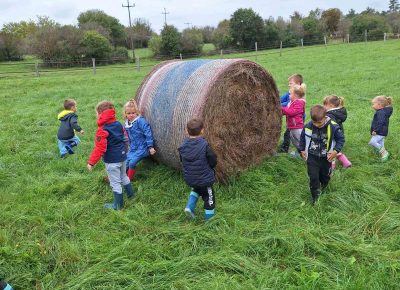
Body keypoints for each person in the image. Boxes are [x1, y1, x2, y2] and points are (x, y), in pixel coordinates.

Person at [87, 101, 134, 210]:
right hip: (123, 157)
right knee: (124, 176)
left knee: (115, 182)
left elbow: (100, 148)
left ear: (100, 114)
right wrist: (125, 152)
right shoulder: (118, 124)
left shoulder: (102, 130)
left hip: (112, 160)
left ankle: (117, 205)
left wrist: (91, 162)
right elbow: (124, 140)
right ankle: (131, 195)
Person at [299, 105, 345, 205]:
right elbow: (302, 138)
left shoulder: (333, 126)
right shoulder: (308, 126)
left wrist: (336, 151)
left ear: (325, 117)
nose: (316, 125)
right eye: (314, 122)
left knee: (324, 176)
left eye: (319, 122)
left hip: (326, 158)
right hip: (312, 156)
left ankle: (325, 186)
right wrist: (301, 149)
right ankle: (315, 196)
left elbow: (341, 140)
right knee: (313, 177)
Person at [178, 118, 217, 220]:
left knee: (196, 188)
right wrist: (211, 167)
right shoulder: (205, 145)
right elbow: (213, 160)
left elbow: (182, 160)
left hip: (190, 178)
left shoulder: (183, 146)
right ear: (202, 130)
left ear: (186, 131)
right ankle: (209, 219)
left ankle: (189, 207)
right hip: (205, 179)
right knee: (209, 196)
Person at [123, 99, 156, 181]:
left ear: (137, 112)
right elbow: (126, 136)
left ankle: (129, 180)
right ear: (125, 114)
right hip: (133, 148)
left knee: (132, 163)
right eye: (129, 113)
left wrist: (150, 146)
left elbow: (148, 132)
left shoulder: (140, 121)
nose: (131, 115)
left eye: (133, 113)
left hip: (143, 148)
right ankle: (120, 177)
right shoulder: (126, 124)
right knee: (125, 162)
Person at [323, 95, 352, 169]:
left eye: (325, 105)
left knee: (330, 152)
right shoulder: (339, 112)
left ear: (331, 105)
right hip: (339, 134)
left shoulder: (330, 115)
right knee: (336, 150)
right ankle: (346, 162)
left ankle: (331, 169)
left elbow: (330, 126)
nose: (323, 107)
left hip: (332, 136)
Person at [278, 74, 304, 153]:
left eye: (291, 83)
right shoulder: (292, 94)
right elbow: (281, 99)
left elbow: (290, 110)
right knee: (293, 139)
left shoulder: (299, 100)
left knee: (297, 139)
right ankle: (300, 152)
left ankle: (305, 153)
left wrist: (279, 107)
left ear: (298, 83)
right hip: (292, 124)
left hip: (297, 125)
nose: (289, 85)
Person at [281, 83, 306, 157]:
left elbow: (291, 112)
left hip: (297, 127)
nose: (289, 96)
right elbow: (288, 110)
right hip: (292, 127)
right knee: (295, 142)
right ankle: (301, 153)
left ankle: (307, 154)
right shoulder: (292, 102)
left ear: (295, 95)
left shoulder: (299, 103)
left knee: (300, 142)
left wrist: (281, 108)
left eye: (290, 94)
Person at [368, 96, 393, 161]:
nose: (372, 105)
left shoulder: (381, 112)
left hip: (380, 131)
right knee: (381, 143)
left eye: (374, 104)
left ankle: (385, 153)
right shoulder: (383, 111)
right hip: (383, 131)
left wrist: (375, 130)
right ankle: (383, 156)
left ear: (379, 105)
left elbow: (380, 122)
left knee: (372, 142)